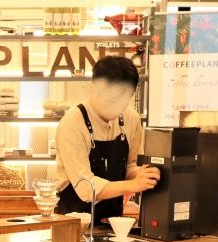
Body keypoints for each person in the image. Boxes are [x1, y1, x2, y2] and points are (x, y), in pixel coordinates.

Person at [54, 55, 160, 222]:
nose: (118, 107)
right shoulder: (72, 124)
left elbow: (131, 165)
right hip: (72, 223)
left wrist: (143, 176)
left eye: (124, 101)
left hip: (113, 220)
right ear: (93, 89)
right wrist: (132, 185)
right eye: (112, 100)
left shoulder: (131, 118)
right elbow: (85, 188)